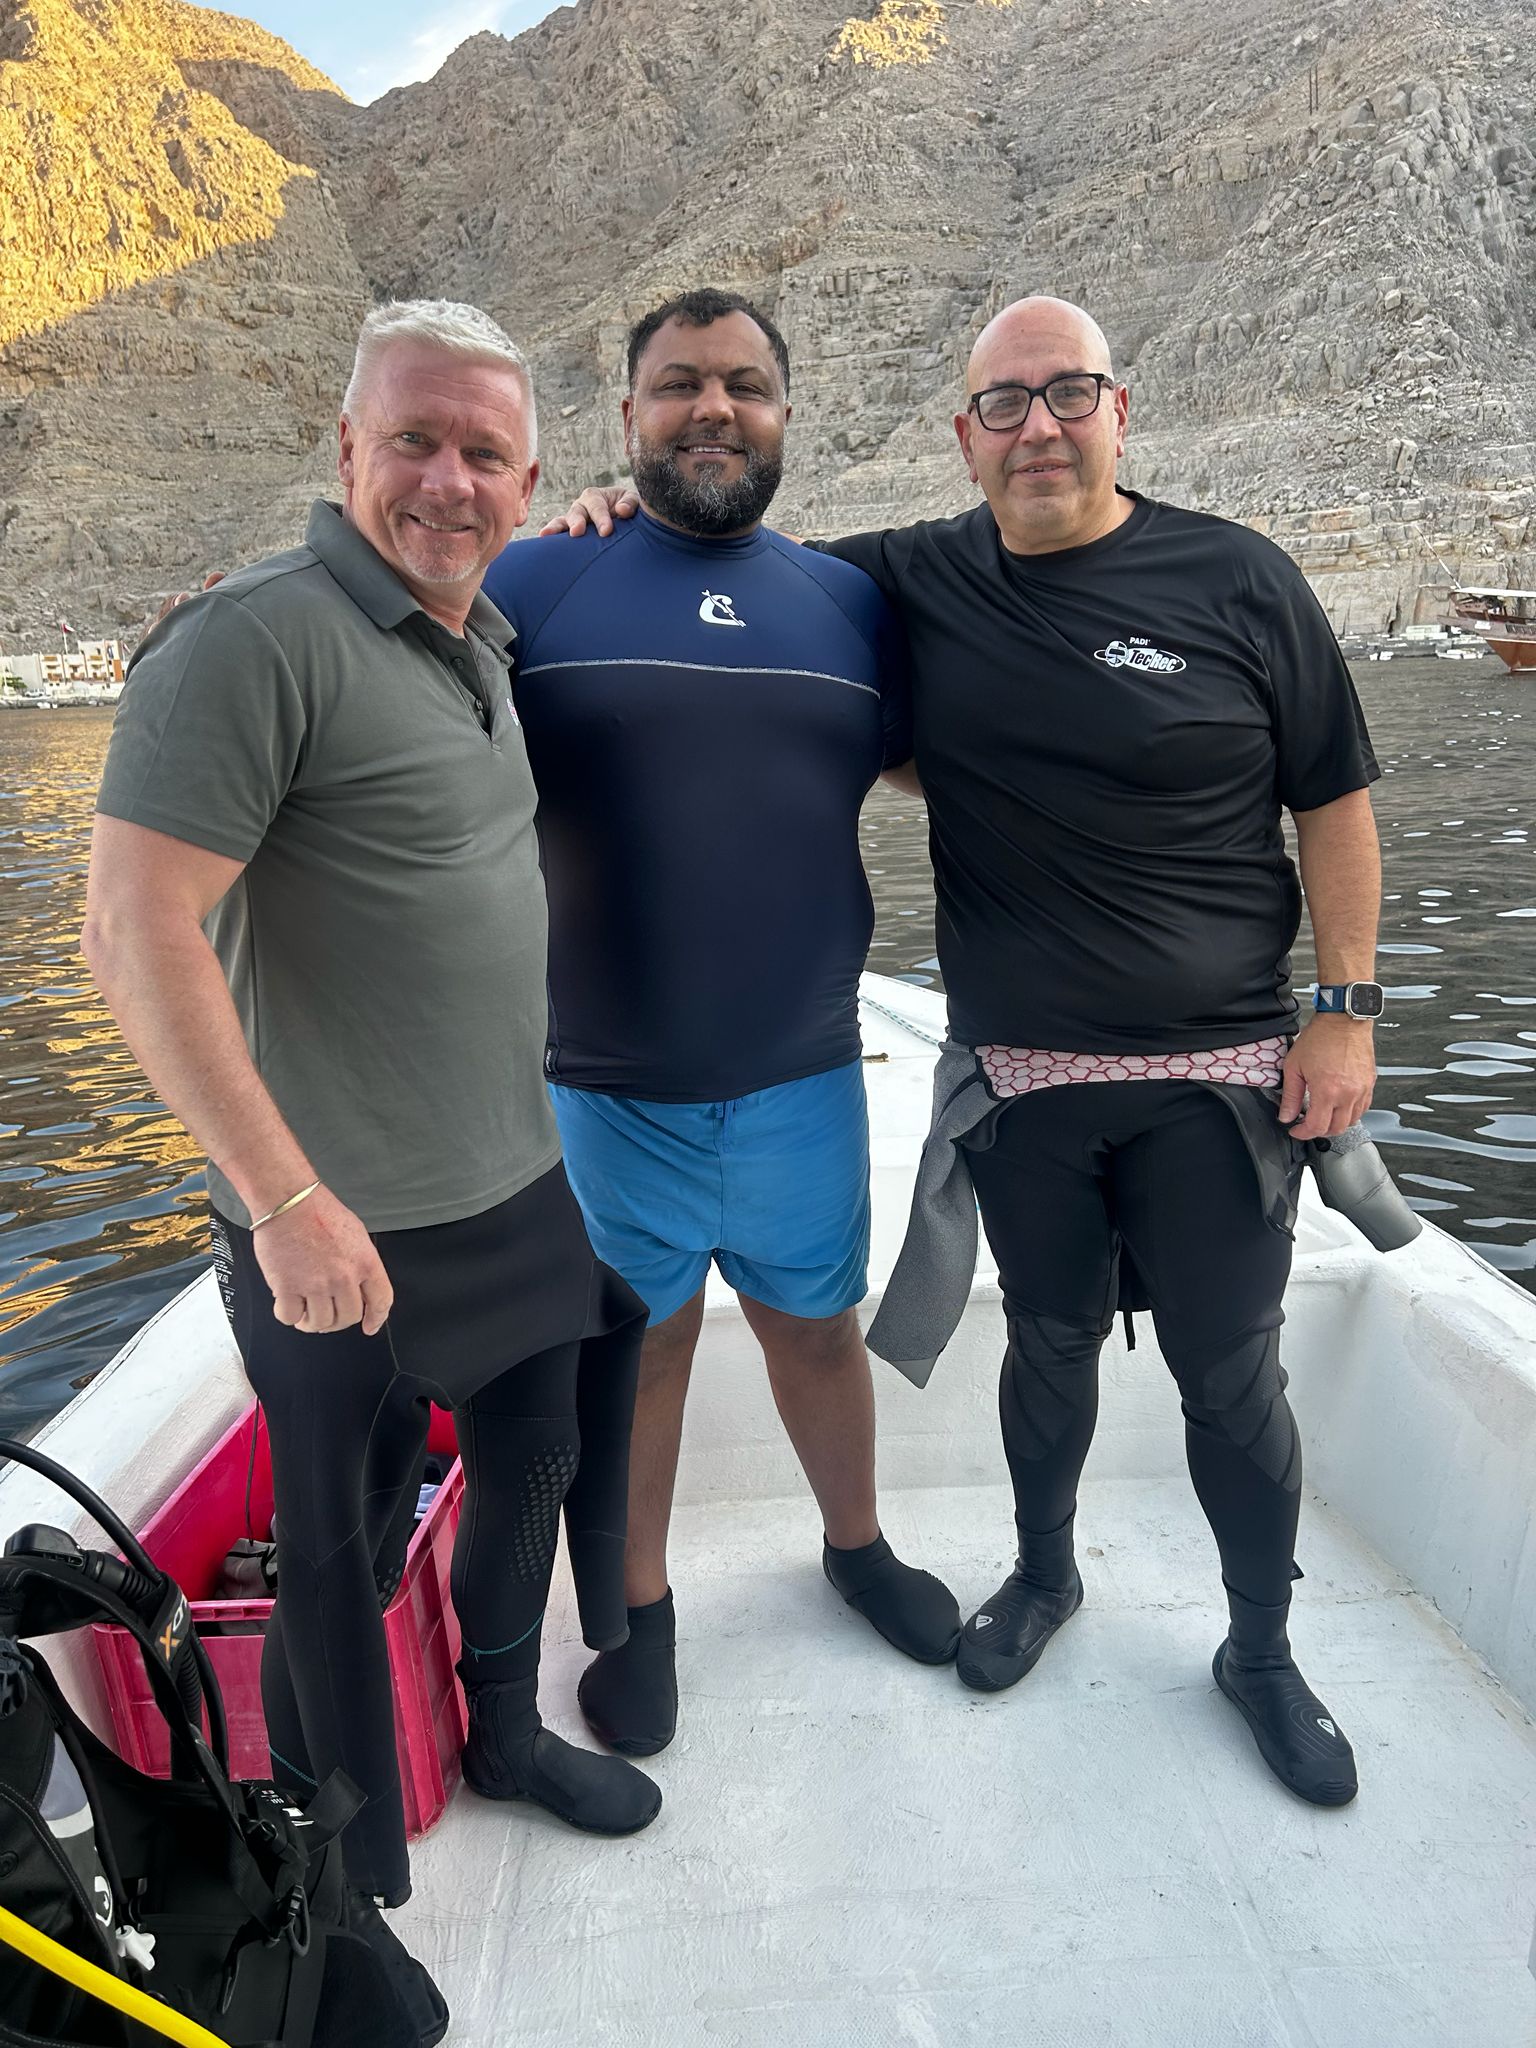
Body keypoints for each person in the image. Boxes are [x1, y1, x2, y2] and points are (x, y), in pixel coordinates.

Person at [553, 294, 1382, 1807]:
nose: (1038, 427)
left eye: (1068, 395)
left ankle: (1259, 1649)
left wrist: (1347, 1008)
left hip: (1225, 1072)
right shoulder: (902, 580)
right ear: (965, 437)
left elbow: (1332, 798)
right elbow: (719, 563)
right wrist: (620, 521)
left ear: (1119, 408)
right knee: (1046, 1349)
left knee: (1229, 1376)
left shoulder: (1239, 576)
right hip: (1028, 1078)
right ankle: (1039, 1580)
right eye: (1004, 404)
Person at [83, 300, 660, 2046]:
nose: (447, 478)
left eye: (486, 451)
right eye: (414, 439)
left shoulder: (470, 637)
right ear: (346, 449)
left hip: (511, 1176)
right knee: (330, 1541)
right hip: (338, 1229)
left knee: (538, 1453)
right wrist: (281, 1198)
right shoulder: (251, 641)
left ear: (532, 477)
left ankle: (502, 1727)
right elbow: (133, 927)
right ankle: (343, 1884)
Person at [481, 287, 962, 1763]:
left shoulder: (848, 603)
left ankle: (855, 1545)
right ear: (625, 416)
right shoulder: (535, 584)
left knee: (816, 1333)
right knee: (645, 1354)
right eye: (679, 383)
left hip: (803, 1073)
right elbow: (382, 692)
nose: (712, 409)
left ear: (784, 415)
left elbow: (951, 766)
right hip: (606, 1086)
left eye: (743, 385)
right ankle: (635, 1608)